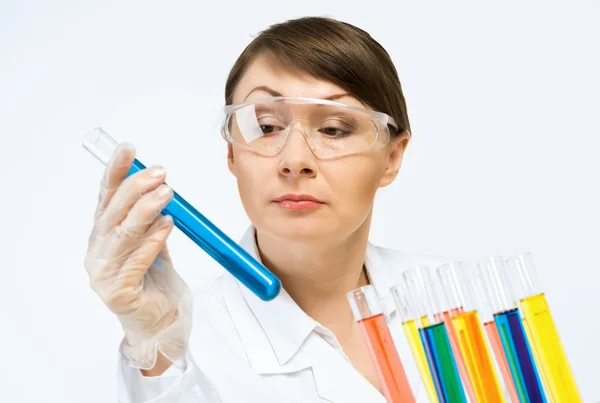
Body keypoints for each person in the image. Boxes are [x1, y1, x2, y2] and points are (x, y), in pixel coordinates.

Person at [84, 16, 447, 403]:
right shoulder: (186, 344)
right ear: (232, 153)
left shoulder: (455, 298)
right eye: (267, 126)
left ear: (391, 157)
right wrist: (158, 354)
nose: (294, 160)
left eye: (335, 129)